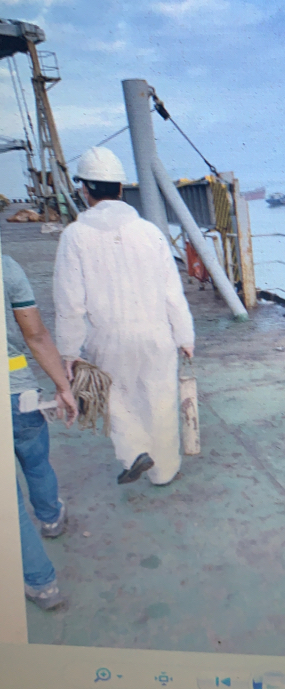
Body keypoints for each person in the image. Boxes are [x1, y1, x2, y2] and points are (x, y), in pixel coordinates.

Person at [53, 146, 195, 487]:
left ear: (84, 190)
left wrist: (69, 353)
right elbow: (172, 292)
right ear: (120, 188)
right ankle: (163, 472)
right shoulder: (150, 232)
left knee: (115, 399)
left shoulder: (74, 236)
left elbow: (69, 303)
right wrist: (185, 336)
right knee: (160, 401)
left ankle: (133, 453)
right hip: (157, 334)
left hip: (106, 338)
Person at [3, 255, 78, 610]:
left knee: (9, 504)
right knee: (36, 462)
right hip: (20, 393)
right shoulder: (6, 266)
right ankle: (51, 519)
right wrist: (63, 387)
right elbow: (36, 335)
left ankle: (41, 584)